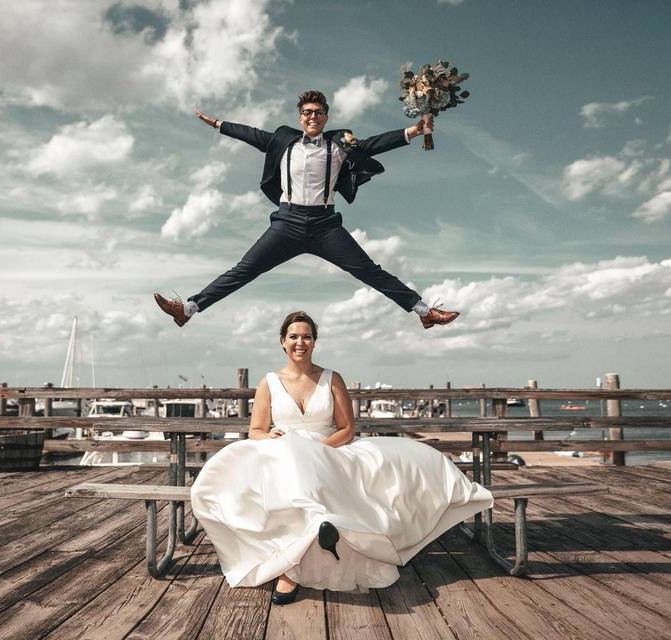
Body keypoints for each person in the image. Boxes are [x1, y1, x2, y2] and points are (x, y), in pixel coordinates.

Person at [190, 311, 493, 604]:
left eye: (307, 337)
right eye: (293, 336)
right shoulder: (268, 382)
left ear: (314, 342)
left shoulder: (332, 378)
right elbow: (255, 429)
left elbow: (347, 428)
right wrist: (267, 438)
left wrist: (318, 450)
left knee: (396, 465)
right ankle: (293, 562)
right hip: (283, 452)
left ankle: (296, 564)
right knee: (273, 472)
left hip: (330, 447)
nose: (300, 342)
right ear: (282, 341)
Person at [154, 90, 460, 330]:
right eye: (306, 113)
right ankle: (188, 310)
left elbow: (372, 145)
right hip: (287, 222)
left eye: (317, 112)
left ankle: (423, 312)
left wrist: (416, 130)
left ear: (326, 117)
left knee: (368, 271)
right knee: (245, 270)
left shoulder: (340, 142)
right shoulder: (283, 140)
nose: (312, 116)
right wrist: (219, 124)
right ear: (300, 117)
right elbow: (251, 134)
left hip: (325, 225)